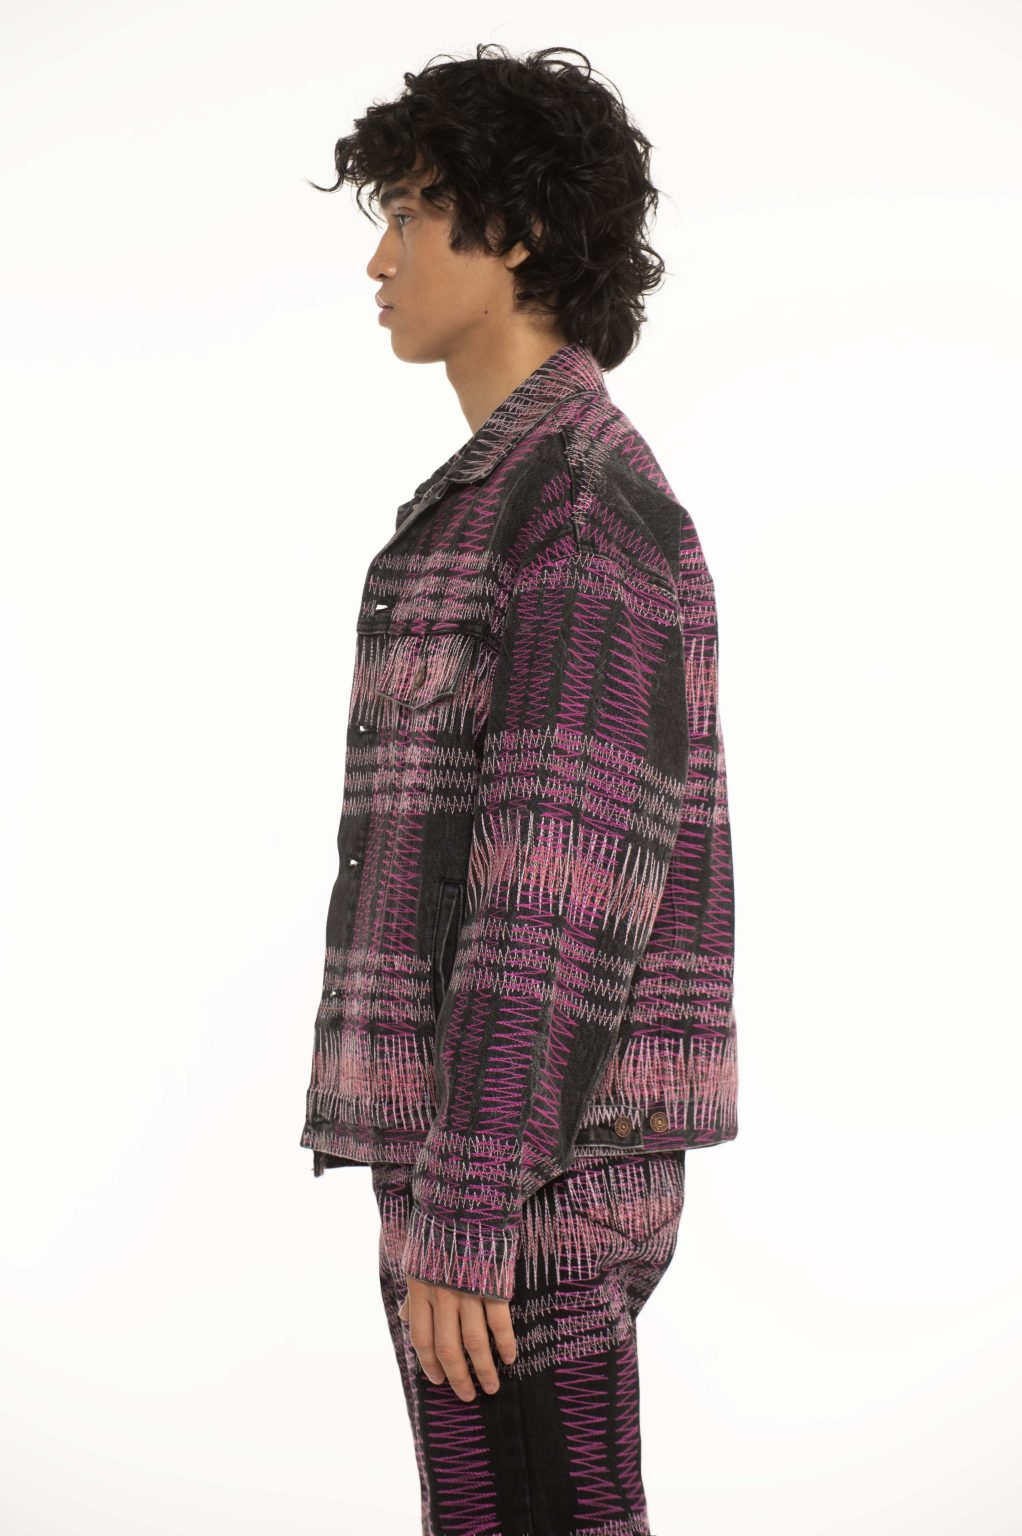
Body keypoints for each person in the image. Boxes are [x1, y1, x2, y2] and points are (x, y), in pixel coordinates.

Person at [301, 42, 738, 1536]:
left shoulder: (575, 506)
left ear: (520, 229)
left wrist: (472, 1202)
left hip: (530, 1178)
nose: (379, 257)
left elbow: (554, 892)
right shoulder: (519, 493)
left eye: (412, 211)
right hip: (499, 1156)